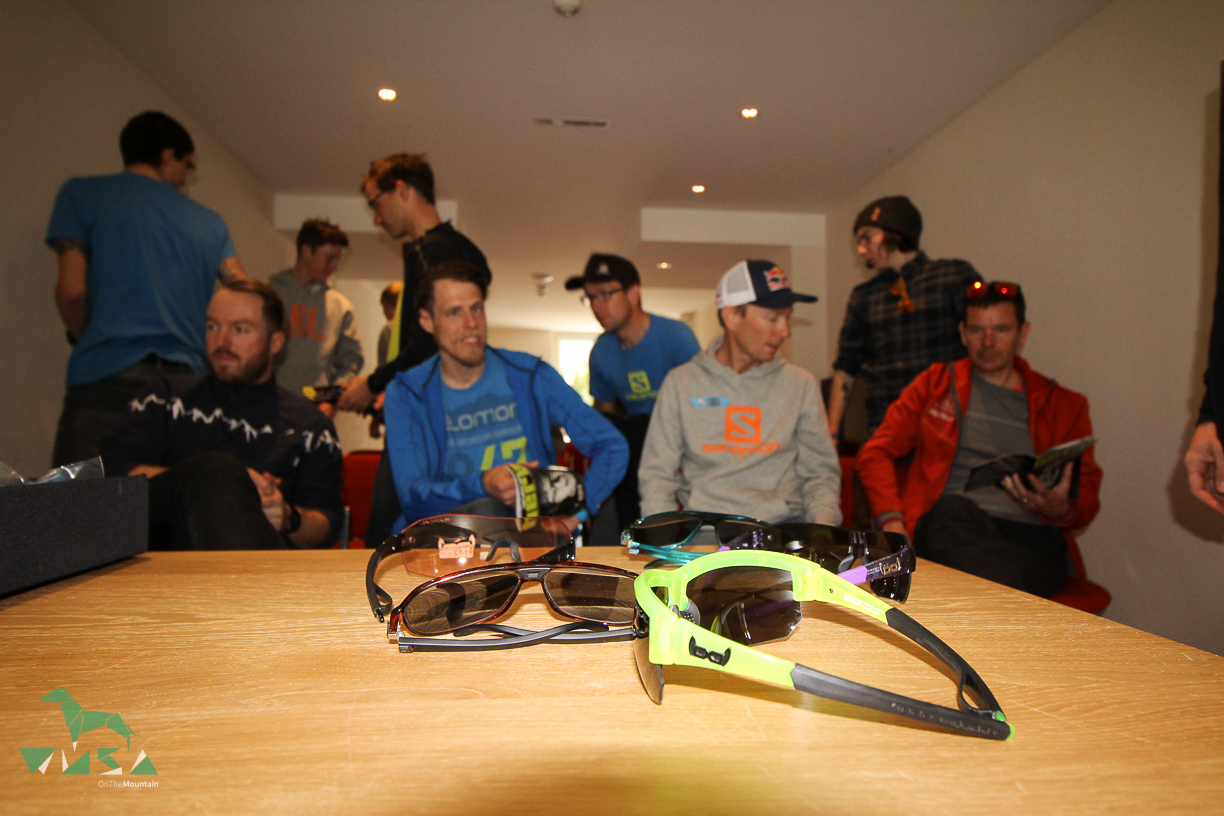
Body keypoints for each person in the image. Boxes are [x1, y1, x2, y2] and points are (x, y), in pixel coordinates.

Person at [855, 281, 1102, 597]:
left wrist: (1059, 507)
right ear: (962, 333)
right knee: (951, 512)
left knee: (992, 573)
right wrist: (893, 523)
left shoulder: (1064, 405)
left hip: (1032, 538)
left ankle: (999, 615)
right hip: (950, 528)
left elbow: (1086, 501)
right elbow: (875, 453)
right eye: (976, 330)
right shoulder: (935, 385)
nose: (987, 342)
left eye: (1001, 330)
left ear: (1023, 333)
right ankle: (1010, 614)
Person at [46, 110, 247, 466]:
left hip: (105, 376)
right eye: (187, 165)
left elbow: (72, 292)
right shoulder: (211, 223)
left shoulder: (82, 195)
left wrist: (87, 336)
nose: (186, 178)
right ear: (169, 156)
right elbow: (244, 293)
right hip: (185, 390)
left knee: (79, 500)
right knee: (169, 499)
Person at [383, 261, 628, 532]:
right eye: (454, 312)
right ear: (427, 321)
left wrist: (576, 516)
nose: (472, 324)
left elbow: (612, 446)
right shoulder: (406, 394)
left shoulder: (530, 375)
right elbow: (413, 498)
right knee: (486, 510)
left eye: (477, 308)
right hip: (447, 541)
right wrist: (483, 484)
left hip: (530, 538)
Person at [103, 281, 343, 551]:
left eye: (239, 329)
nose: (222, 342)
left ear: (275, 342)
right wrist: (220, 484)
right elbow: (114, 477)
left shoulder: (311, 427)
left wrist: (288, 516)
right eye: (212, 327)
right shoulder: (162, 399)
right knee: (220, 472)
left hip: (267, 563)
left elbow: (327, 524)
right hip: (165, 557)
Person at [337, 153, 490, 546]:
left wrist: (372, 384)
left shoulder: (433, 251)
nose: (376, 218)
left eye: (376, 203)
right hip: (436, 412)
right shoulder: (442, 250)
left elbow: (427, 345)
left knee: (390, 536)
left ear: (402, 190)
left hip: (425, 416)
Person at [638, 260, 841, 525]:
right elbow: (657, 477)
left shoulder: (801, 384)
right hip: (705, 534)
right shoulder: (681, 383)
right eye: (773, 318)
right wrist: (662, 537)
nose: (785, 331)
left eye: (787, 317)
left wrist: (822, 533)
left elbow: (820, 476)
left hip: (782, 531)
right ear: (732, 317)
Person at [827, 196, 982, 439]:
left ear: (896, 232)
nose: (861, 249)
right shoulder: (863, 296)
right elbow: (846, 367)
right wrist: (831, 435)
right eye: (858, 241)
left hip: (950, 429)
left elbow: (984, 342)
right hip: (887, 433)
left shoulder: (953, 276)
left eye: (867, 237)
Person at [565, 252, 700, 527]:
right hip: (635, 453)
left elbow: (702, 410)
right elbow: (604, 423)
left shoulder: (676, 337)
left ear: (634, 293)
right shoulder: (602, 351)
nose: (597, 305)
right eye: (591, 297)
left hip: (682, 443)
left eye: (606, 294)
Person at [269, 218, 362, 418]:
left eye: (338, 260)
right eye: (329, 258)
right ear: (306, 251)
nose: (334, 266)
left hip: (314, 410)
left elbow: (351, 361)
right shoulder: (270, 294)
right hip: (269, 405)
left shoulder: (341, 306)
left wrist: (331, 400)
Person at [376, 281, 404, 368]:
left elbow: (383, 365)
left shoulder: (389, 329)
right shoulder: (422, 326)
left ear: (387, 305)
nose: (383, 312)